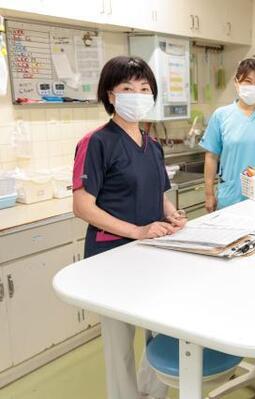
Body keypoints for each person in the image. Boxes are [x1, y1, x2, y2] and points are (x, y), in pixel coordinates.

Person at [72, 56, 186, 399]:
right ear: (110, 94)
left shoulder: (152, 144)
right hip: (112, 256)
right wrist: (136, 231)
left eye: (144, 88)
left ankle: (153, 393)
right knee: (120, 342)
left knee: (161, 331)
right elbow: (82, 206)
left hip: (152, 254)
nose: (137, 94)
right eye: (127, 88)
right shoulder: (96, 142)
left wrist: (172, 214)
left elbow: (157, 191)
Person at [201, 58, 255, 211]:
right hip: (232, 195)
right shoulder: (221, 115)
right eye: (248, 81)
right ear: (236, 82)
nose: (253, 87)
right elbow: (211, 156)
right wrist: (209, 194)